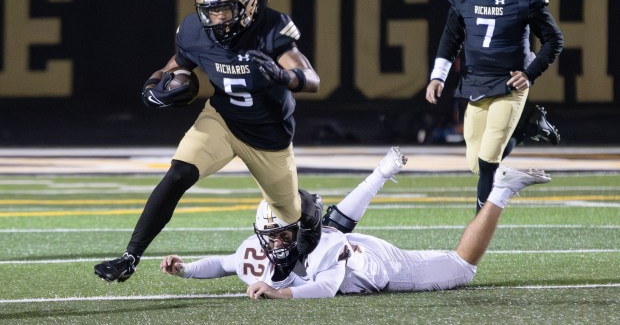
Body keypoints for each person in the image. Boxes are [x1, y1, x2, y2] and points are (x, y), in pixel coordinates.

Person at [95, 0, 323, 282]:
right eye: (210, 11)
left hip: (268, 135)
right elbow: (174, 67)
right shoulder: (193, 31)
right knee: (179, 173)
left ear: (248, 3)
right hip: (222, 119)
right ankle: (130, 256)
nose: (217, 19)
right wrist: (153, 86)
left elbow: (312, 79)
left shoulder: (271, 28)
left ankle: (310, 206)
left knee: (292, 217)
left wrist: (284, 75)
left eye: (225, 11)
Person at [160, 146, 551, 298]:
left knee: (463, 268)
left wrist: (279, 295)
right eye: (270, 235)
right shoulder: (259, 251)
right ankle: (381, 172)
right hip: (342, 243)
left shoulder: (325, 244)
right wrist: (185, 270)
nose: (274, 243)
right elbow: (225, 264)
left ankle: (501, 190)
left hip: (374, 266)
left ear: (300, 229)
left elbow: (325, 288)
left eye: (282, 234)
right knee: (335, 224)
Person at [425, 0, 563, 212]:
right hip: (475, 80)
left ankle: (479, 226)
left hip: (510, 82)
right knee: (475, 163)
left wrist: (530, 73)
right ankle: (526, 128)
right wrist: (438, 76)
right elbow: (451, 37)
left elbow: (554, 39)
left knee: (488, 162)